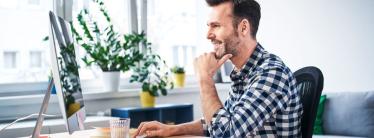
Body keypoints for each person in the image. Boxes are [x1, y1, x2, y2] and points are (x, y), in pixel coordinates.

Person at [133, 0, 303, 137]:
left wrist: (204, 78)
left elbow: (226, 133)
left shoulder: (271, 74)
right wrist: (171, 130)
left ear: (243, 27)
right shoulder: (243, 72)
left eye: (216, 26)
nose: (208, 35)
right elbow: (216, 125)